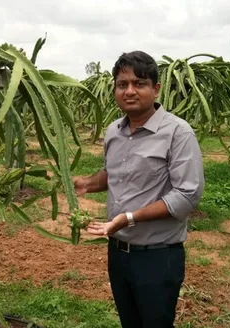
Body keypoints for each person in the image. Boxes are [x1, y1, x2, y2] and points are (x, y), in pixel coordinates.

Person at [73, 50, 205, 328]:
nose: (129, 91)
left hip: (157, 256)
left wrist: (129, 218)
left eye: (139, 84)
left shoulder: (178, 133)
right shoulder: (113, 131)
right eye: (122, 85)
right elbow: (114, 175)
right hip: (118, 253)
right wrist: (87, 183)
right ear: (115, 90)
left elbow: (186, 196)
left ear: (155, 89)